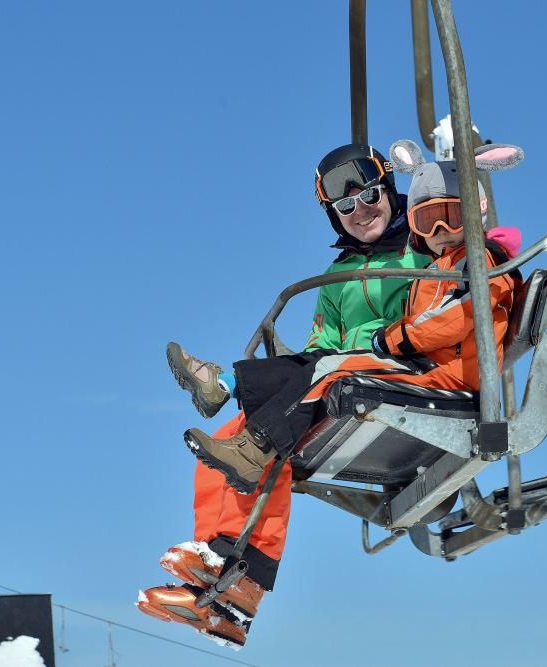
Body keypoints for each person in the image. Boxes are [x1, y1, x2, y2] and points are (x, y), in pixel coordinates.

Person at [137, 139, 524, 648]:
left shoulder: (422, 249)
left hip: (395, 378)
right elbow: (324, 342)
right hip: (342, 378)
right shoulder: (337, 275)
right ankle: (226, 579)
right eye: (344, 206)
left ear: (390, 190)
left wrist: (457, 173)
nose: (359, 212)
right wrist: (300, 368)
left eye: (368, 197)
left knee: (269, 429)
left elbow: (459, 256)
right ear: (331, 215)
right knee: (232, 436)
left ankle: (228, 385)